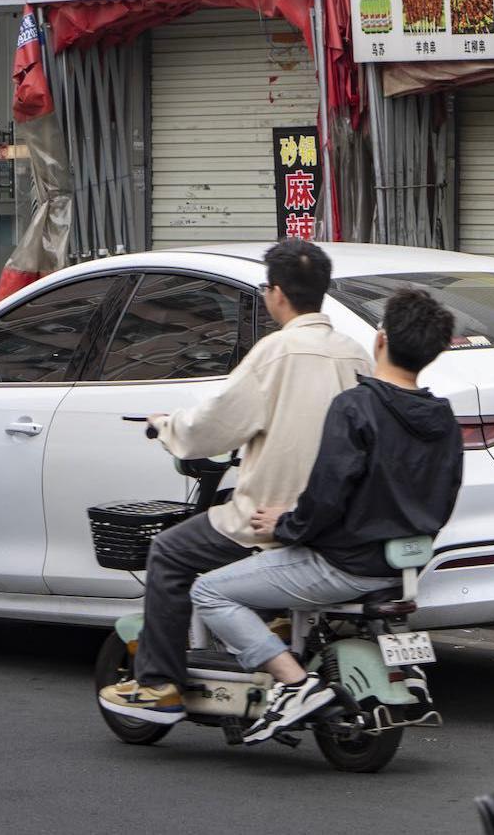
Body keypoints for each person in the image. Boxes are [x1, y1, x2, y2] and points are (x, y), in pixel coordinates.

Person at [97, 239, 371, 725]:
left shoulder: (277, 351)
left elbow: (216, 424)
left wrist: (167, 426)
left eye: (267, 288)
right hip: (338, 517)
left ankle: (160, 684)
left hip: (270, 514)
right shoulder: (354, 354)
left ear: (278, 294)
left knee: (169, 552)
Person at [189, 285, 464, 744]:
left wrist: (286, 523)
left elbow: (327, 496)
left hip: (343, 565)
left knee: (210, 591)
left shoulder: (356, 407)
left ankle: (295, 687)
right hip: (403, 568)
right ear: (432, 353)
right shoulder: (443, 419)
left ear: (381, 340)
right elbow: (444, 496)